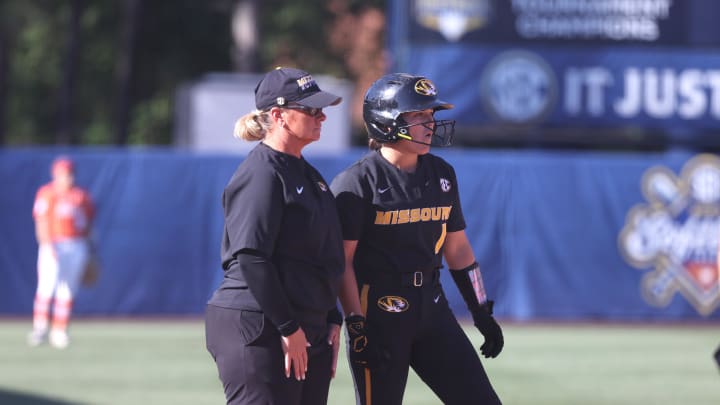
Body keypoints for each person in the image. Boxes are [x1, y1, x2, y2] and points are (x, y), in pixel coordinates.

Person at [331, 73, 504, 405]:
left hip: (432, 306)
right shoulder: (356, 183)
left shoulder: (441, 174)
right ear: (386, 121)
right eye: (418, 115)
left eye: (431, 115)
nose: (430, 124)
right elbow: (343, 263)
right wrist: (355, 323)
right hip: (379, 312)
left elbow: (457, 248)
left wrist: (481, 309)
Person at [205, 67, 350, 405]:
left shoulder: (308, 174)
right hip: (259, 322)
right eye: (311, 110)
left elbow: (322, 252)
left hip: (303, 322)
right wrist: (288, 327)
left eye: (322, 109)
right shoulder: (262, 173)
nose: (322, 117)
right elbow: (252, 257)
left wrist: (331, 316)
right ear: (278, 115)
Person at [28, 156, 95, 349]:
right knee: (46, 287)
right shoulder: (47, 193)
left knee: (67, 290)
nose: (68, 178)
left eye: (70, 174)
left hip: (76, 244)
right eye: (64, 174)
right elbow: (41, 222)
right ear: (55, 175)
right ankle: (40, 328)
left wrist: (90, 250)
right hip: (53, 243)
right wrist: (47, 245)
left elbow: (89, 225)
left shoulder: (81, 196)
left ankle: (59, 331)